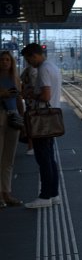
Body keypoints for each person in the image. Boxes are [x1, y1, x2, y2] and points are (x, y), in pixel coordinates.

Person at [21, 43, 62, 208]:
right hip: (50, 118)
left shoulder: (43, 69)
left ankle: (45, 196)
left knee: (43, 158)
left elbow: (45, 95)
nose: (29, 63)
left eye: (28, 59)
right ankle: (54, 194)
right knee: (49, 158)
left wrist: (30, 94)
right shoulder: (52, 67)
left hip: (42, 120)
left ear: (34, 55)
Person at [0, 50, 24, 207]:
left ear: (12, 62)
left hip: (13, 117)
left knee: (9, 159)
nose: (4, 62)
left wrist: (23, 119)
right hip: (0, 116)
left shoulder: (15, 78)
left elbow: (19, 99)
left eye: (8, 60)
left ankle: (6, 193)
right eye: (2, 60)